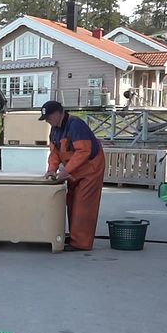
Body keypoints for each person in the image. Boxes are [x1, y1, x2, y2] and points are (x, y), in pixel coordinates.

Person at [39, 100, 106, 251]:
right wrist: (51, 170)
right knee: (72, 201)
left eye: (49, 118)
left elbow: (84, 151)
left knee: (84, 205)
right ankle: (76, 235)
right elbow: (54, 153)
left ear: (58, 113)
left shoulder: (76, 125)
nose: (48, 122)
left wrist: (65, 171)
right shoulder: (54, 130)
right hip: (74, 170)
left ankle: (81, 243)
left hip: (91, 169)